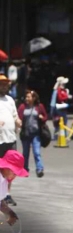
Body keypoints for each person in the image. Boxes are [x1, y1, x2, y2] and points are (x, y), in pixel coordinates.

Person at [0, 74, 21, 206]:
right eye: (2, 84)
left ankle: (7, 194)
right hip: (0, 139)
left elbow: (15, 115)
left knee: (10, 167)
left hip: (11, 138)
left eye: (6, 84)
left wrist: (18, 121)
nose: (4, 86)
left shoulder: (10, 100)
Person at [17, 90, 47, 178]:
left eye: (28, 97)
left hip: (36, 133)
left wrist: (42, 118)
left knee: (37, 152)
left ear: (34, 98)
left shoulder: (39, 106)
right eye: (26, 97)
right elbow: (18, 116)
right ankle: (25, 169)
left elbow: (45, 116)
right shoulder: (22, 107)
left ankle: (39, 169)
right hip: (25, 133)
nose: (27, 98)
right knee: (25, 153)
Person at [0, 150, 28, 226]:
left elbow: (0, 202)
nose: (15, 176)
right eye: (14, 173)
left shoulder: (4, 180)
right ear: (6, 168)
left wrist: (10, 213)